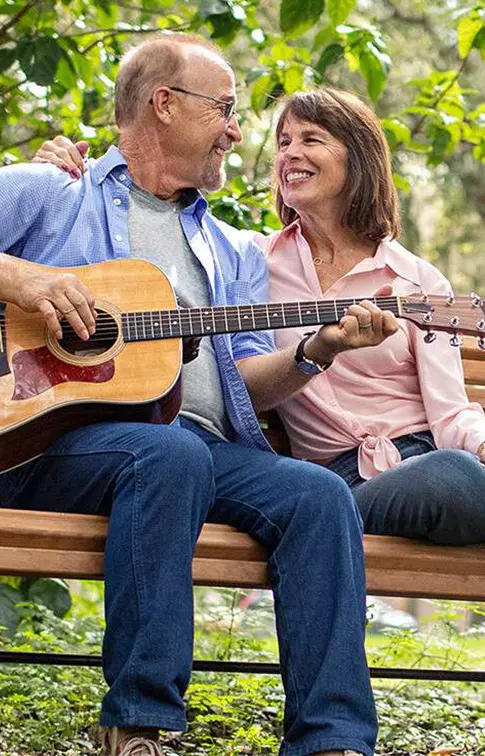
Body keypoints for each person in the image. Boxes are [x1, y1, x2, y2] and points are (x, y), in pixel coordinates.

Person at [0, 35, 402, 756]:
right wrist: (27, 281)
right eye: (224, 109)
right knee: (169, 455)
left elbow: (246, 380)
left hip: (198, 451)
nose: (237, 131)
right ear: (164, 104)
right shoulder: (52, 192)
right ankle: (140, 723)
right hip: (48, 443)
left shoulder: (232, 248)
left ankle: (334, 740)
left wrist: (318, 350)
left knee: (316, 496)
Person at [42, 88, 485, 546]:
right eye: (284, 142)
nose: (290, 154)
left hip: (418, 458)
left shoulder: (417, 280)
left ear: (358, 157)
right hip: (329, 479)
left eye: (311, 139)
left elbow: (451, 407)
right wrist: (74, 166)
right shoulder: (248, 261)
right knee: (451, 479)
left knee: (455, 472)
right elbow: (156, 222)